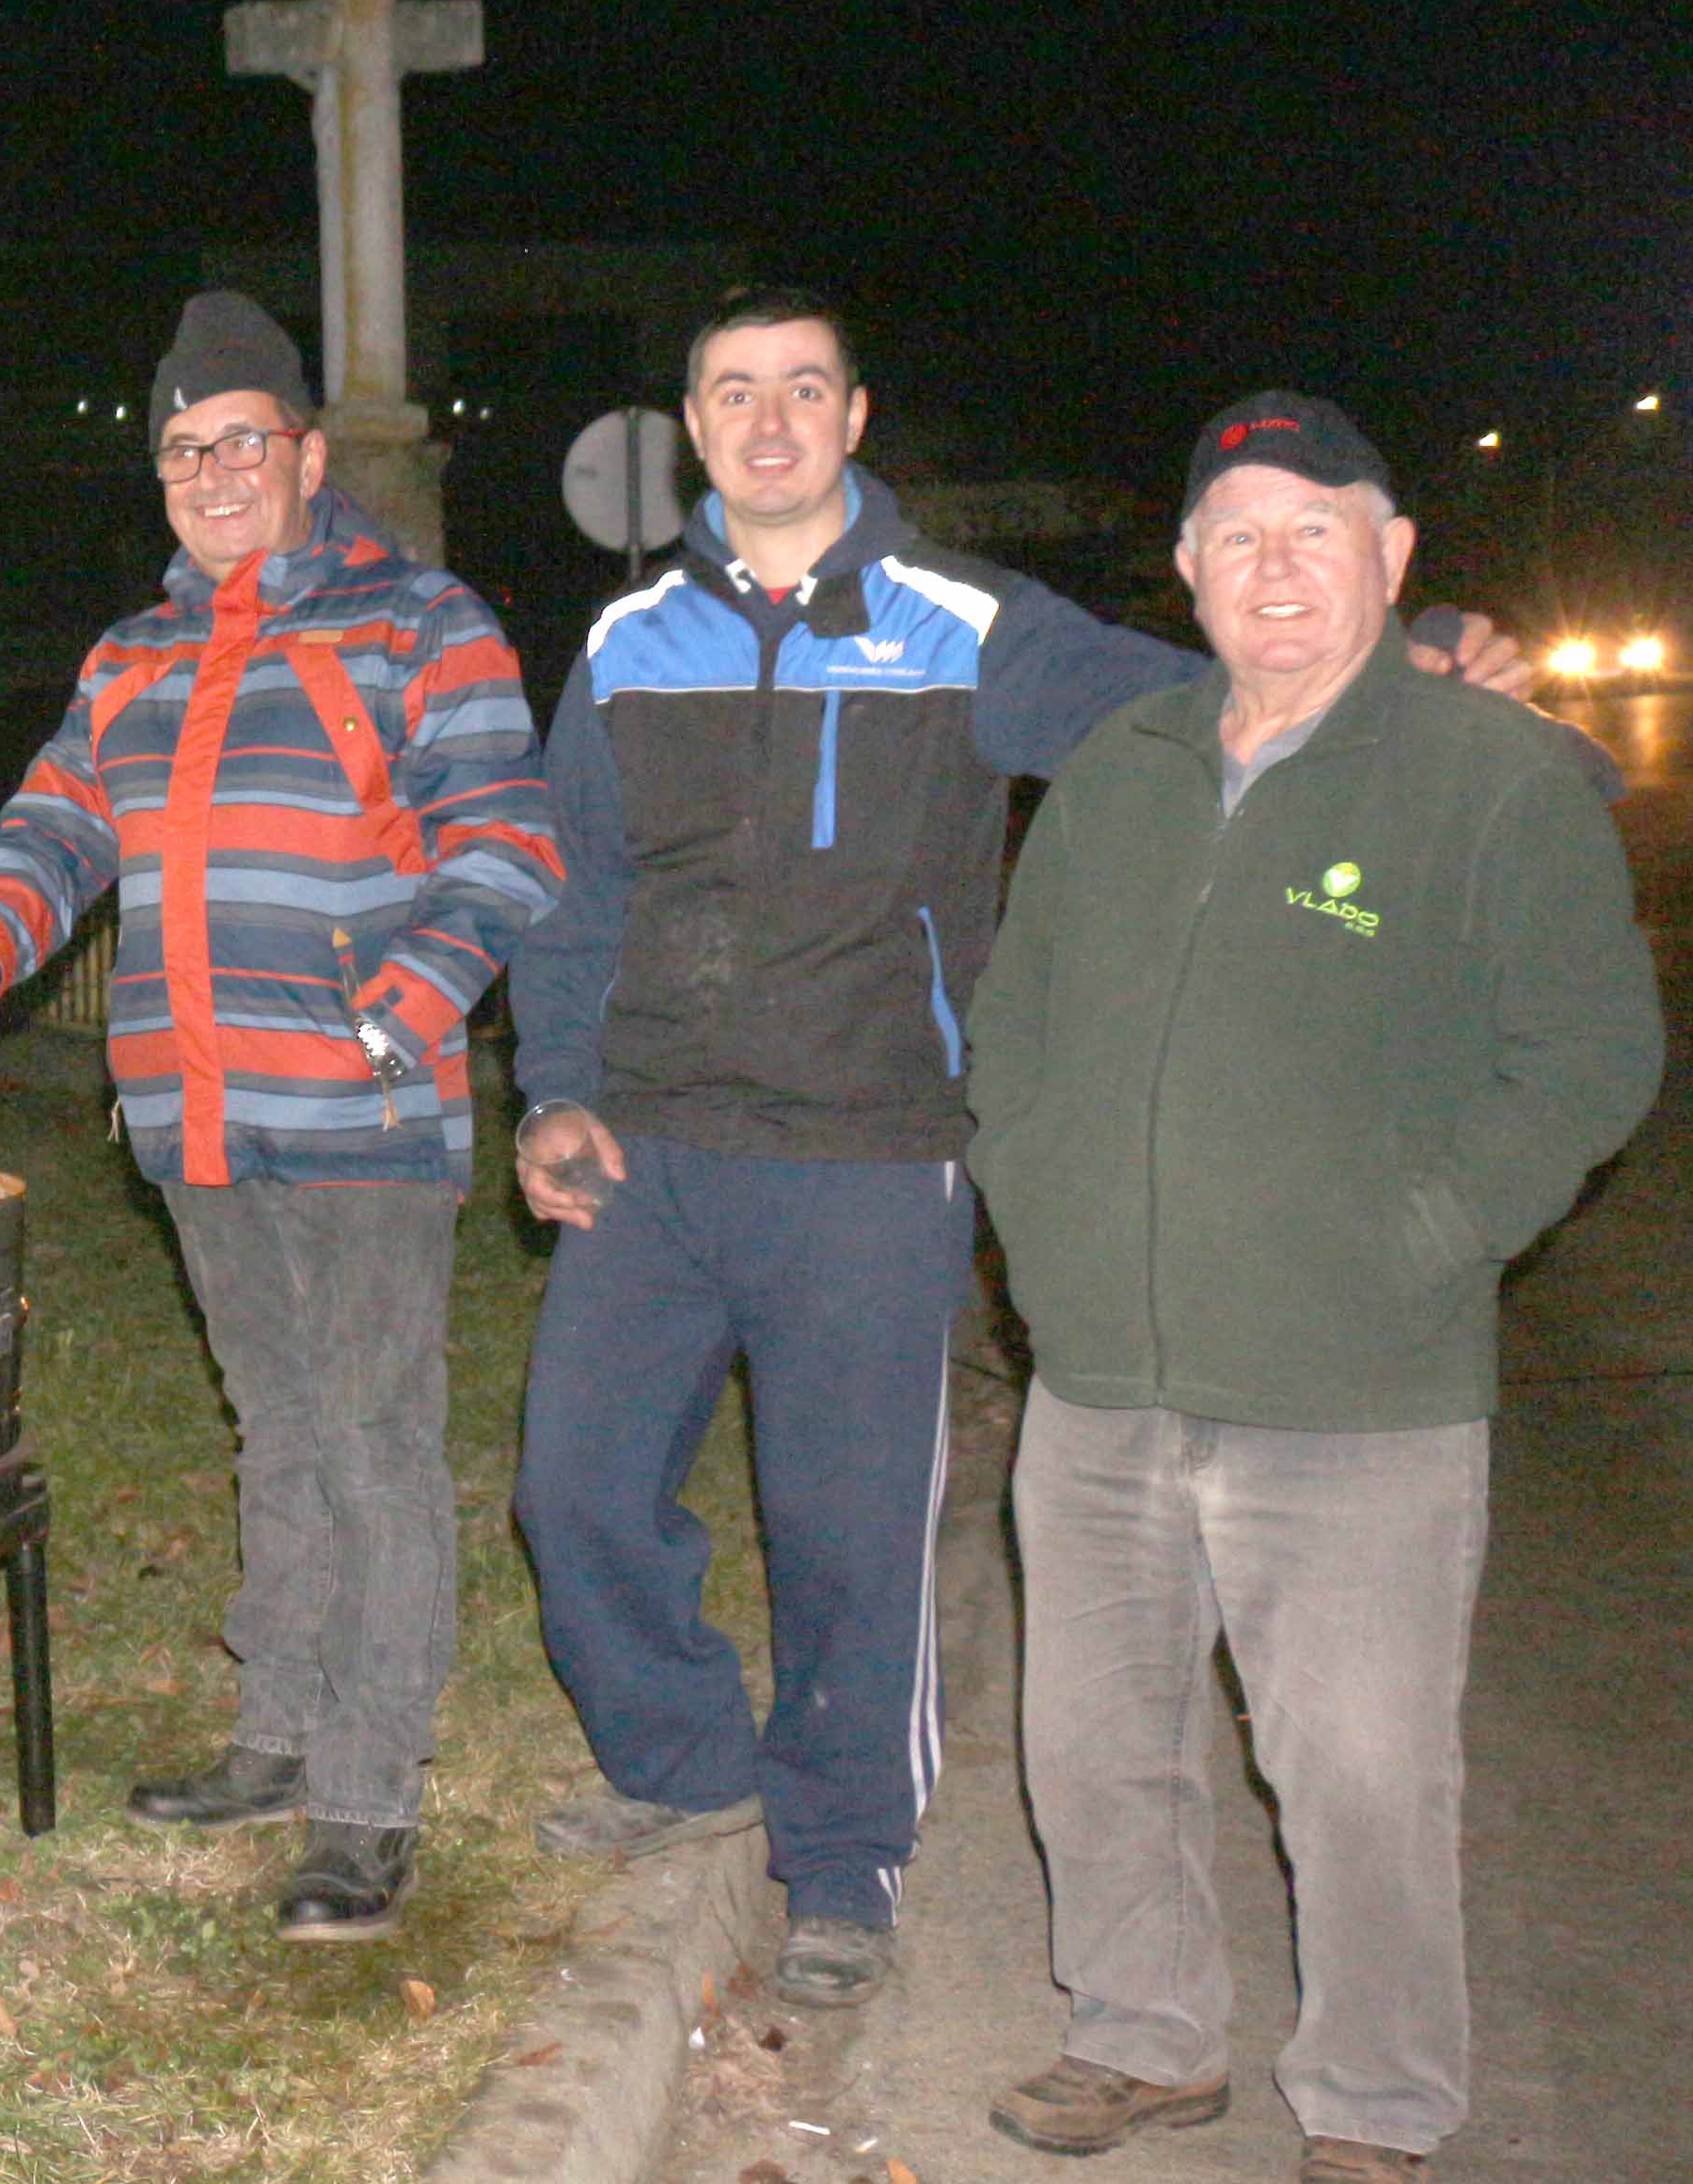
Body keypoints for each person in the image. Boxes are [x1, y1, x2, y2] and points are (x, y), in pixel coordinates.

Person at [504, 293, 1539, 2009]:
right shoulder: (622, 642)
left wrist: (1410, 641)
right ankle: (687, 1764)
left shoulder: (961, 621)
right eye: (732, 393)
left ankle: (839, 1859)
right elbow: (574, 891)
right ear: (691, 428)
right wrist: (551, 1082)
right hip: (653, 1143)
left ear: (852, 418)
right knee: (572, 1487)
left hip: (872, 1148)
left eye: (802, 390)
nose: (767, 421)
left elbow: (1205, 691)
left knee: (843, 1528)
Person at [962, 392, 1653, 2184]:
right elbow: (1018, 1014)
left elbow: (1591, 1055)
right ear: (1186, 572)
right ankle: (1145, 2033)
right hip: (1101, 1373)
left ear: (1394, 555)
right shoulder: (1119, 768)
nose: (1277, 563)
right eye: (1239, 534)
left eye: (1316, 527)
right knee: (1094, 1743)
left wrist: (1431, 1230)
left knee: (1356, 1768)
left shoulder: (1492, 775)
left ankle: (1372, 2095)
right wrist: (1039, 1218)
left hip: (1358, 1395)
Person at [0, 292, 558, 1942]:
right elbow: (50, 829)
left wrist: (395, 1009)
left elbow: (507, 844)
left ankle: (363, 1787)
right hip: (191, 1117)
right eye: (182, 449)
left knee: (372, 1434)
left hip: (360, 1115)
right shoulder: (132, 653)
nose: (209, 471)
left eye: (239, 441)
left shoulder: (419, 620)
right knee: (275, 1421)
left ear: (306, 455)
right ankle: (274, 1727)